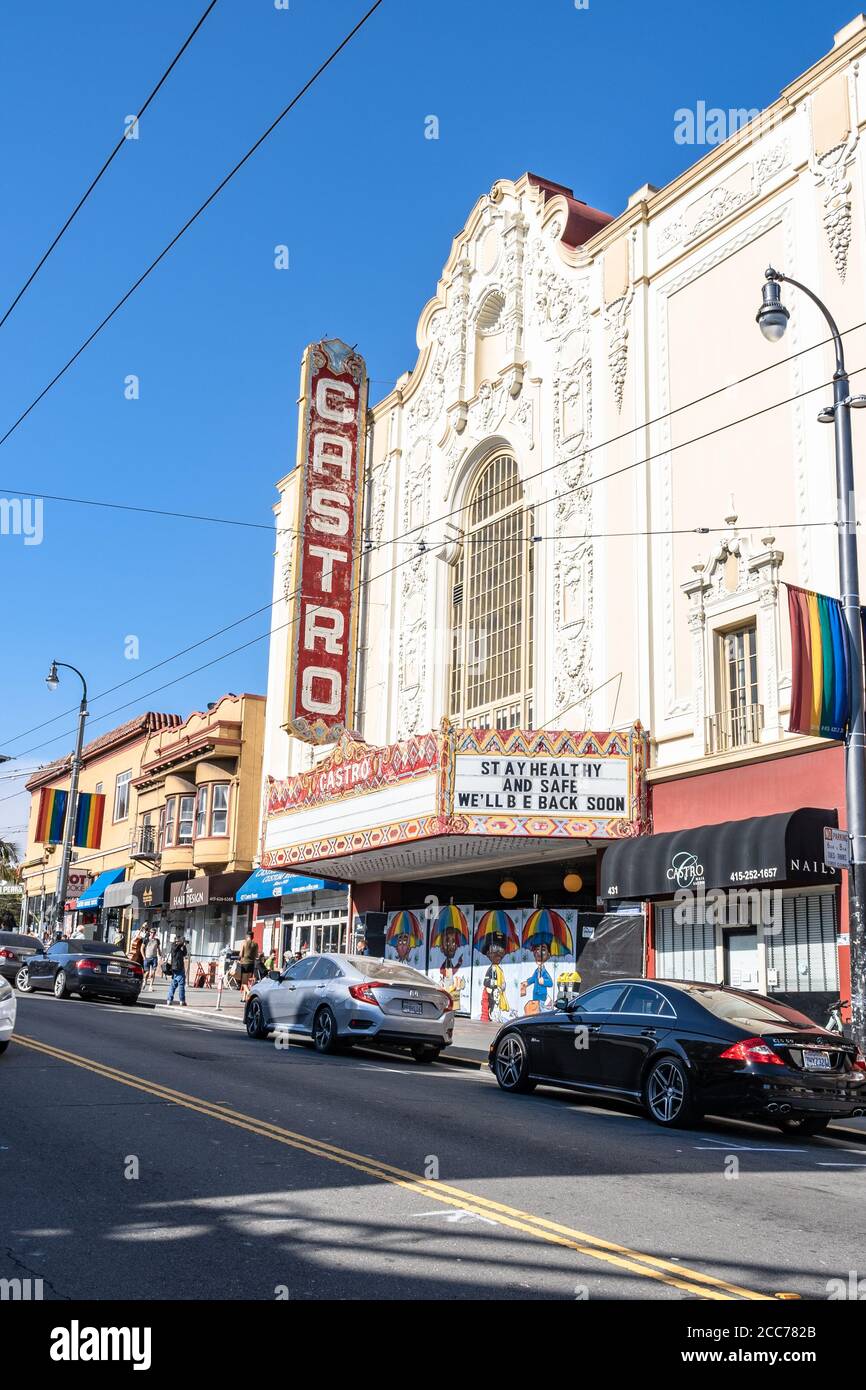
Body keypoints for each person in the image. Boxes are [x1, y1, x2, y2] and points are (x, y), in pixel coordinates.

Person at [166, 930, 189, 1006]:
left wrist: (184, 946)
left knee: (174, 984)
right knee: (181, 985)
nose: (179, 942)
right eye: (178, 941)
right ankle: (182, 1000)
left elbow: (184, 954)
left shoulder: (178, 948)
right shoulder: (174, 946)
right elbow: (177, 946)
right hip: (177, 969)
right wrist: (182, 942)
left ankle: (169, 1000)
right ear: (176, 941)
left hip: (177, 968)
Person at [238, 926, 259, 1000]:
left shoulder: (244, 943)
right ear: (253, 936)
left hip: (245, 964)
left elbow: (241, 954)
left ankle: (249, 993)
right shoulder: (255, 944)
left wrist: (239, 959)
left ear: (247, 936)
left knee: (244, 982)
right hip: (252, 964)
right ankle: (244, 998)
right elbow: (256, 955)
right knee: (247, 982)